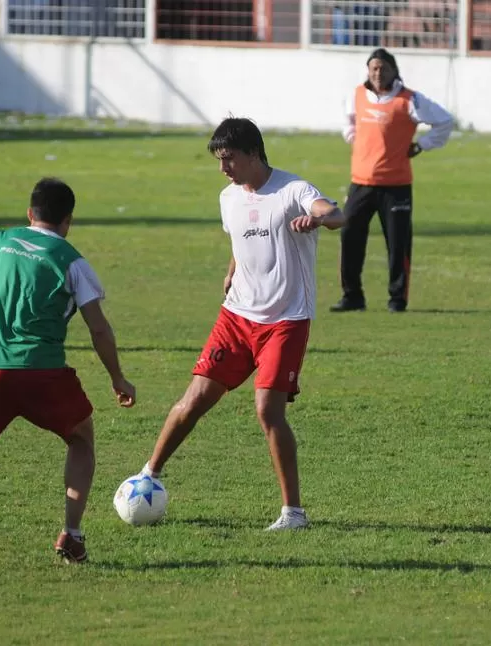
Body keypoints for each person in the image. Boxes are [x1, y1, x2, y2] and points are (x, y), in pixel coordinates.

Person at [138, 117, 345, 531]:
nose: (223, 168)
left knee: (268, 410)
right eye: (219, 160)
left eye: (229, 158)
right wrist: (232, 269)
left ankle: (293, 513)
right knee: (194, 399)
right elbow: (243, 237)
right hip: (236, 316)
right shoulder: (228, 197)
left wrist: (318, 219)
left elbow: (336, 213)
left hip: (285, 320)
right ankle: (147, 475)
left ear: (253, 154)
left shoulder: (292, 190)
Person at [0, 177, 136, 563]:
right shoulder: (71, 260)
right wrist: (117, 378)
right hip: (42, 371)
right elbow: (99, 329)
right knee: (81, 440)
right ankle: (71, 533)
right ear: (68, 220)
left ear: (29, 214)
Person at [331, 47, 454, 314]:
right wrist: (352, 135)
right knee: (350, 236)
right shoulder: (357, 95)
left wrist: (422, 145)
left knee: (398, 244)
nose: (378, 73)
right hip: (361, 182)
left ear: (394, 71)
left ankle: (397, 299)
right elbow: (347, 120)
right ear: (368, 71)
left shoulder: (409, 99)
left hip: (396, 185)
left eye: (383, 68)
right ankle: (352, 296)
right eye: (374, 68)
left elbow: (445, 121)